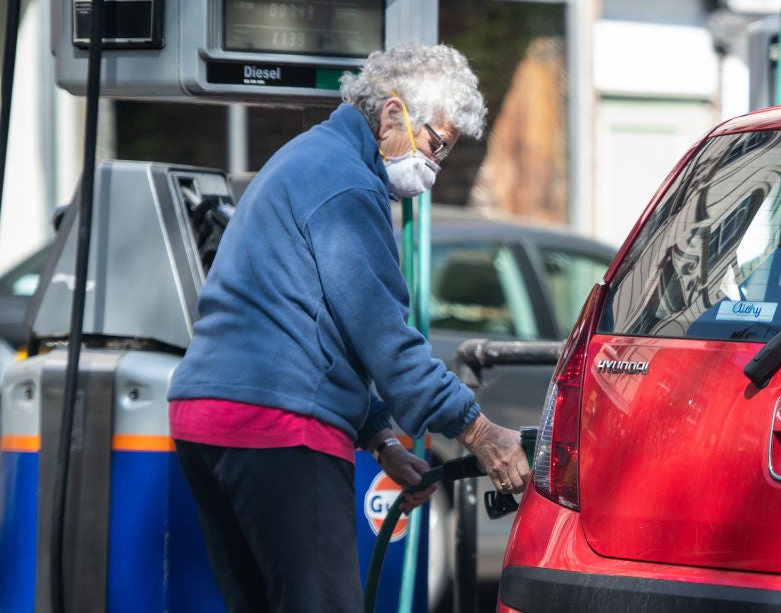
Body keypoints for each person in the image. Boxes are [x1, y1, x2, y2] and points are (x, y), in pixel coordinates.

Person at [167, 42, 531, 613]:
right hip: (277, 425)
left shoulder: (305, 157)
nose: (434, 168)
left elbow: (313, 324)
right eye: (436, 145)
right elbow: (386, 343)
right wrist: (480, 432)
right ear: (392, 114)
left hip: (205, 417)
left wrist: (380, 439)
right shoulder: (347, 185)